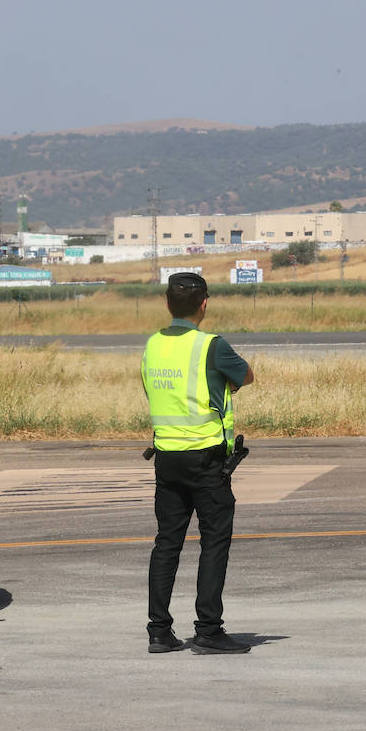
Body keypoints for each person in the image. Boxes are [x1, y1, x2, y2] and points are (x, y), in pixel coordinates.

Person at [141, 272, 255, 655]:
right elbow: (246, 376)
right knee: (214, 542)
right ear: (204, 304)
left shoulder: (153, 345)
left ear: (167, 302)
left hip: (166, 458)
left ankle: (159, 630)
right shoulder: (211, 345)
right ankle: (208, 629)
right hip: (206, 459)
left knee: (166, 544)